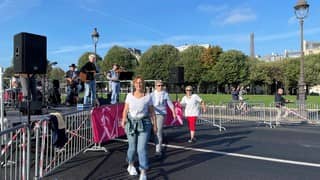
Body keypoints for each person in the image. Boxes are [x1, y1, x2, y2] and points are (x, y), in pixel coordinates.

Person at [121, 75, 157, 180]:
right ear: (134, 84)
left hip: (145, 123)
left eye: (141, 82)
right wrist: (123, 119)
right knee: (132, 147)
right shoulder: (129, 95)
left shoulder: (148, 96)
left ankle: (143, 171)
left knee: (141, 148)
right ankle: (131, 165)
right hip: (131, 123)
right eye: (137, 82)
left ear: (143, 84)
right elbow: (125, 110)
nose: (139, 84)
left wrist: (155, 125)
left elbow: (152, 112)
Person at [150, 80, 176, 156]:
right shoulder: (151, 94)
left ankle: (158, 150)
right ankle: (157, 139)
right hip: (152, 114)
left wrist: (174, 112)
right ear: (155, 86)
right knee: (153, 131)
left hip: (161, 114)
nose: (160, 87)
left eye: (161, 85)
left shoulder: (165, 94)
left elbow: (170, 104)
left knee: (158, 131)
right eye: (158, 85)